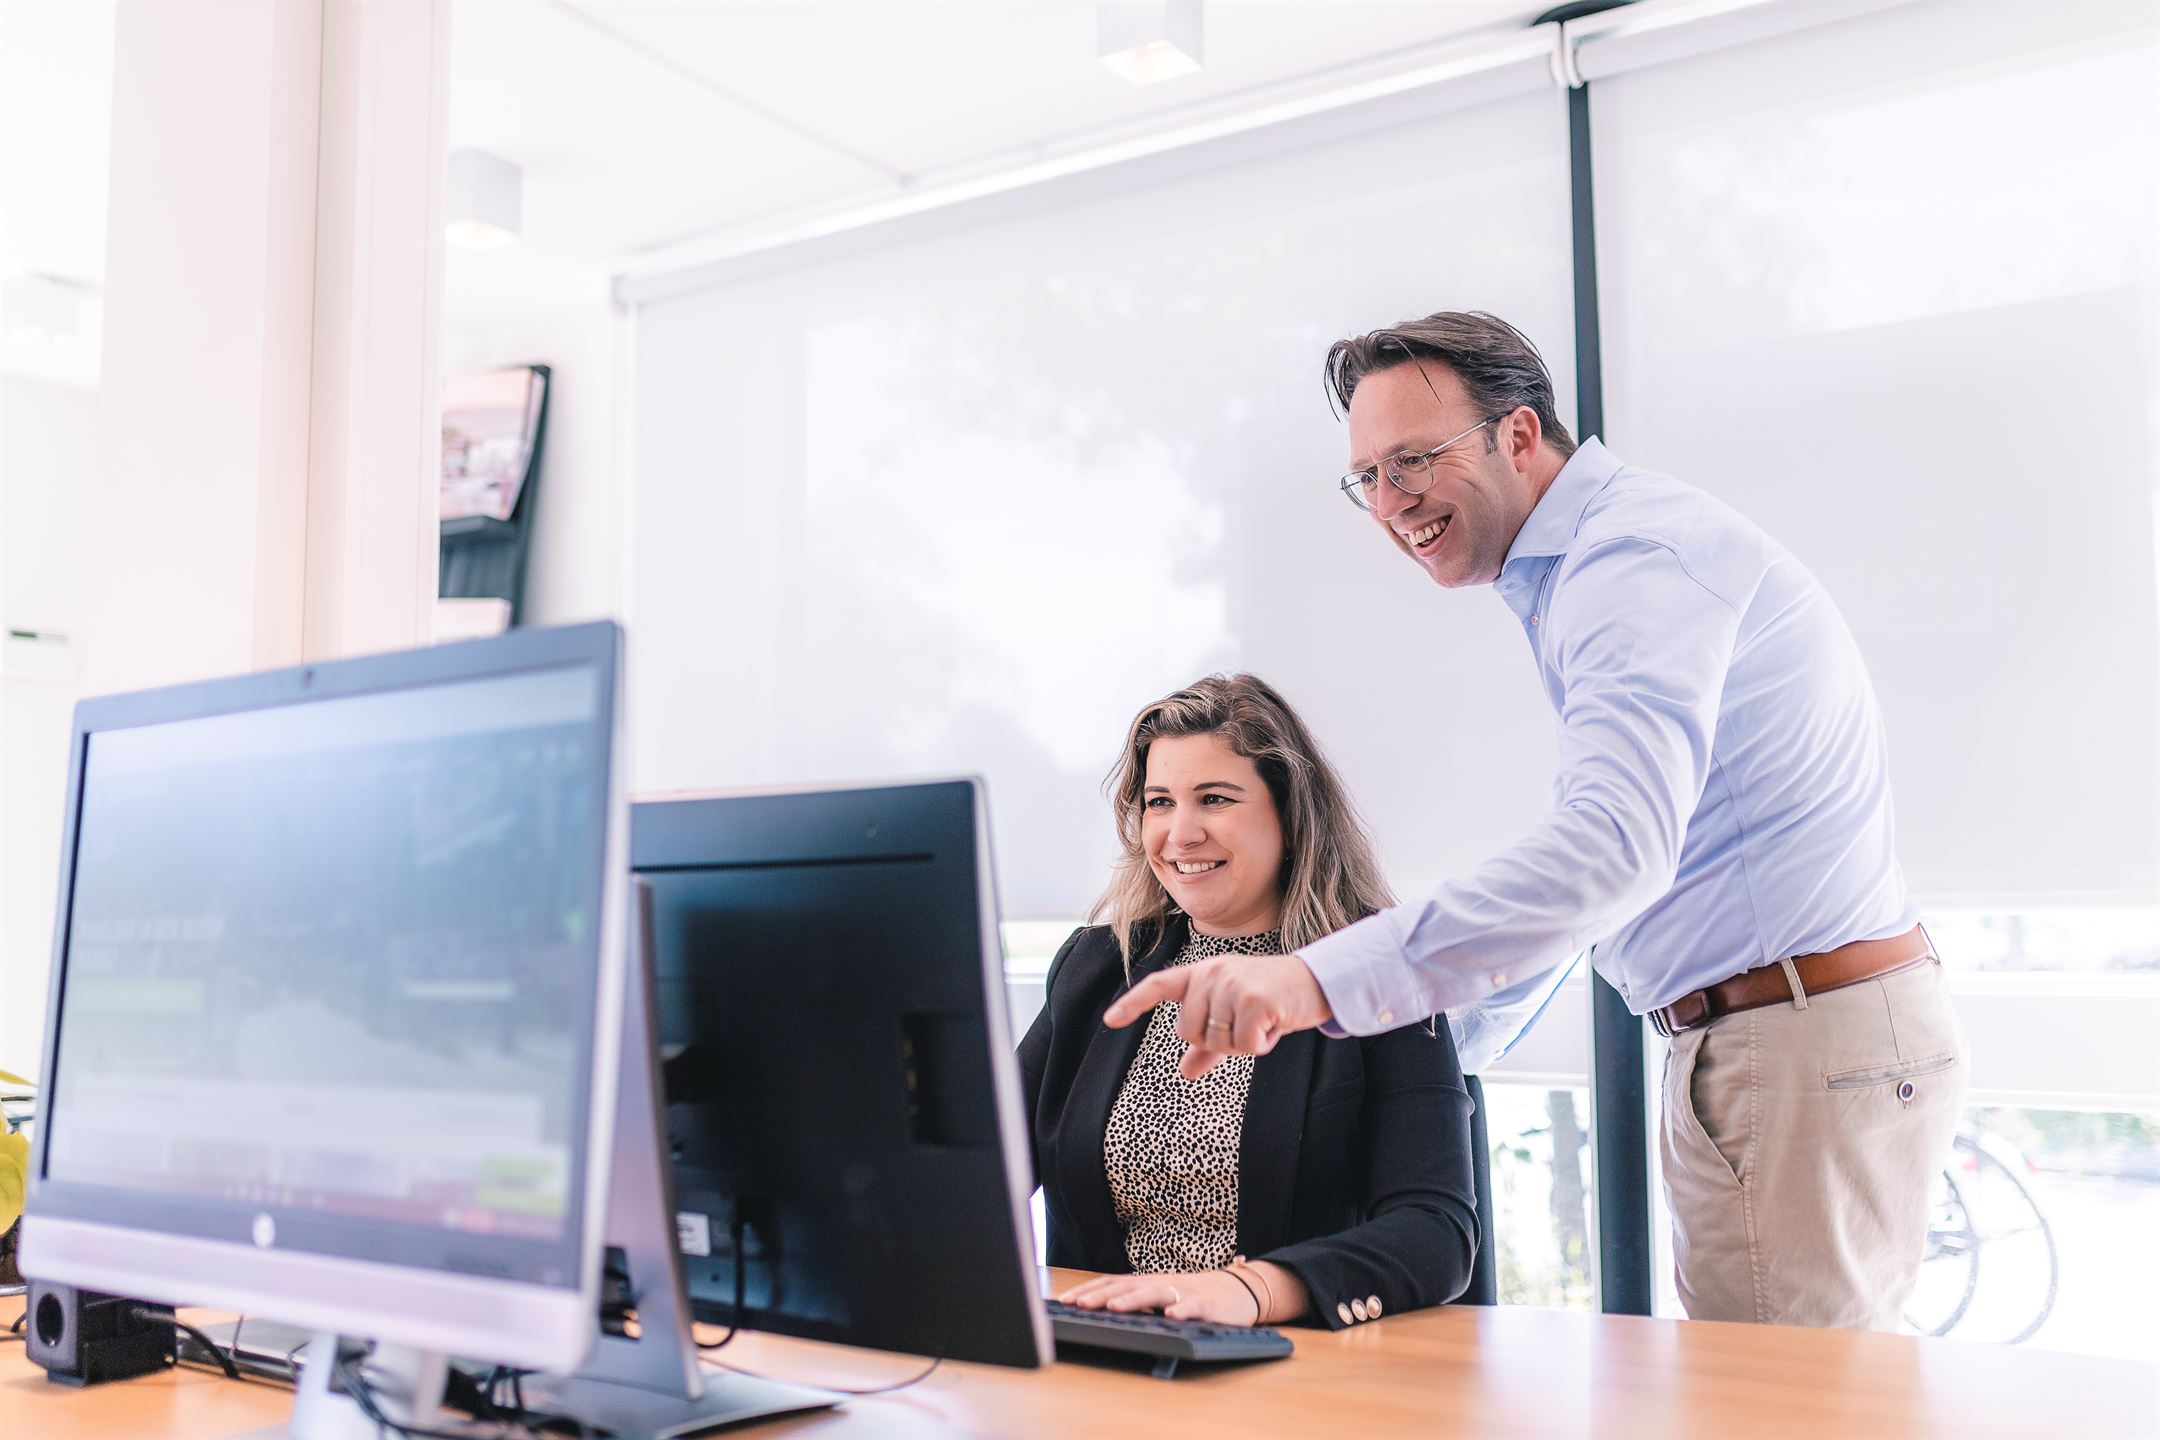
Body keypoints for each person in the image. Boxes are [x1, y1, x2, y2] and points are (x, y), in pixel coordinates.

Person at [1104, 312, 1969, 1331]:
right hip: (1772, 1027)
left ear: (1520, 438)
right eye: (1369, 475)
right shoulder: (1589, 569)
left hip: (1792, 1030)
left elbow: (1611, 852)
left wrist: (1313, 981)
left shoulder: (1628, 565)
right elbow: (1630, 874)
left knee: (1779, 1415)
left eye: (1415, 460)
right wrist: (1421, 1038)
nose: (1391, 502)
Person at [1018, 674, 1477, 1330]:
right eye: (1158, 802)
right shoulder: (1095, 968)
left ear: (1289, 814)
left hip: (1289, 1361)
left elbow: (1435, 1232)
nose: (1180, 834)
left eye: (1214, 799)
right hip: (1106, 1358)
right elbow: (978, 1165)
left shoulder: (1375, 974)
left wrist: (1253, 1290)